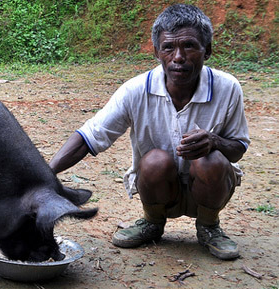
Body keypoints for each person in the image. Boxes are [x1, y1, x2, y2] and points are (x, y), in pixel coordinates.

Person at [49, 3, 249, 260]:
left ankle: (209, 227)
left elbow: (239, 148)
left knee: (212, 160)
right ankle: (153, 222)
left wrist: (214, 141)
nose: (178, 57)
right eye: (168, 47)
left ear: (206, 50)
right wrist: (46, 172)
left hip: (210, 189)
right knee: (154, 161)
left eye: (189, 46)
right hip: (158, 188)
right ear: (156, 52)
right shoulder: (135, 90)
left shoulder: (228, 88)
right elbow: (90, 136)